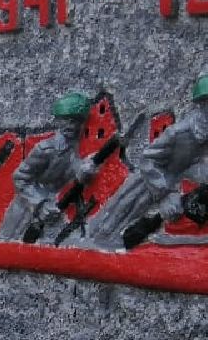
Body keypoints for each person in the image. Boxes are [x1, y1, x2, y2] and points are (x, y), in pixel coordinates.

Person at [88, 71, 208, 249]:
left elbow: (190, 164)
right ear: (202, 104)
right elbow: (147, 160)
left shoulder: (203, 134)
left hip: (171, 182)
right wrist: (165, 195)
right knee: (114, 222)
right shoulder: (179, 132)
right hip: (149, 183)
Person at [0, 91, 94, 243]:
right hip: (27, 208)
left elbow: (72, 170)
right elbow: (20, 178)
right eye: (67, 120)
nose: (72, 126)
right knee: (6, 247)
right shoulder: (46, 149)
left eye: (76, 121)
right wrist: (40, 203)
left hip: (55, 209)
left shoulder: (75, 148)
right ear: (58, 121)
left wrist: (83, 171)